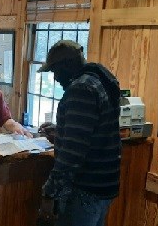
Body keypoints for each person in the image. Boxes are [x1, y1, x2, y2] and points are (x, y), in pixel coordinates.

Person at [37, 40, 121, 226]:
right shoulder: (100, 81)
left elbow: (72, 155)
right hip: (103, 186)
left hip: (85, 189)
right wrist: (62, 131)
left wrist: (49, 192)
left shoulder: (80, 89)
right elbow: (93, 132)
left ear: (67, 65)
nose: (55, 78)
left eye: (55, 71)